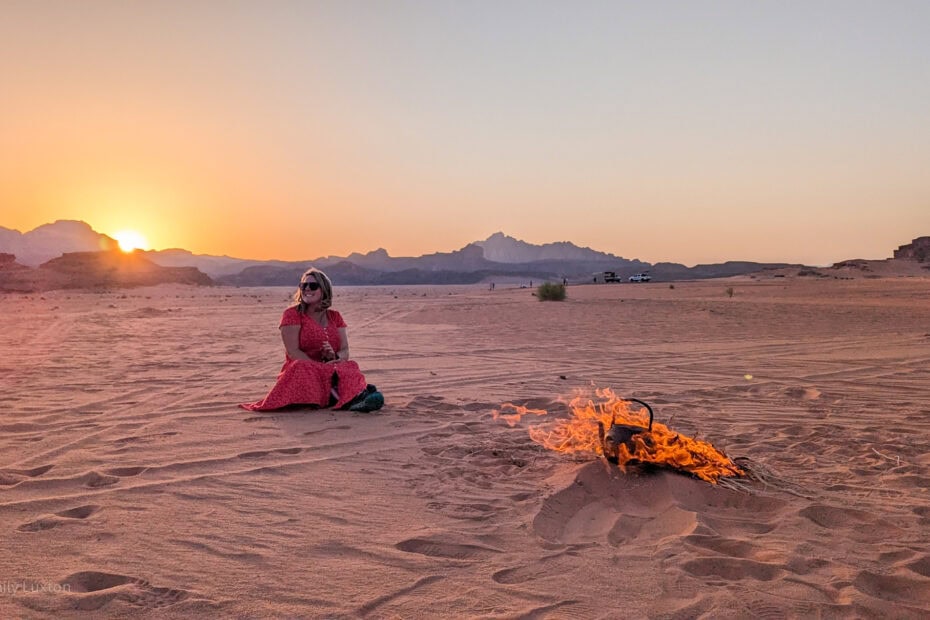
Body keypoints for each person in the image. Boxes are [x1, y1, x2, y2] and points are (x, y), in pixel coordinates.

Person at [240, 268, 383, 412]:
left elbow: (345, 349)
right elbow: (293, 351)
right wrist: (320, 367)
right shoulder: (292, 314)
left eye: (313, 285)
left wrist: (334, 357)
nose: (307, 288)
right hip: (303, 368)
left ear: (324, 289)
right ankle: (348, 397)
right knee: (302, 367)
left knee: (350, 365)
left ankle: (356, 399)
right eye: (304, 285)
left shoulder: (335, 317)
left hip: (331, 366)